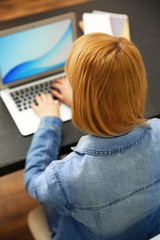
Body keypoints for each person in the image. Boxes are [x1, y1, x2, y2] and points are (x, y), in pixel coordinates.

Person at [24, 33, 160, 240]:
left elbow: (33, 181)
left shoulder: (66, 177)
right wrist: (84, 100)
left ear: (81, 98)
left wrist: (49, 123)